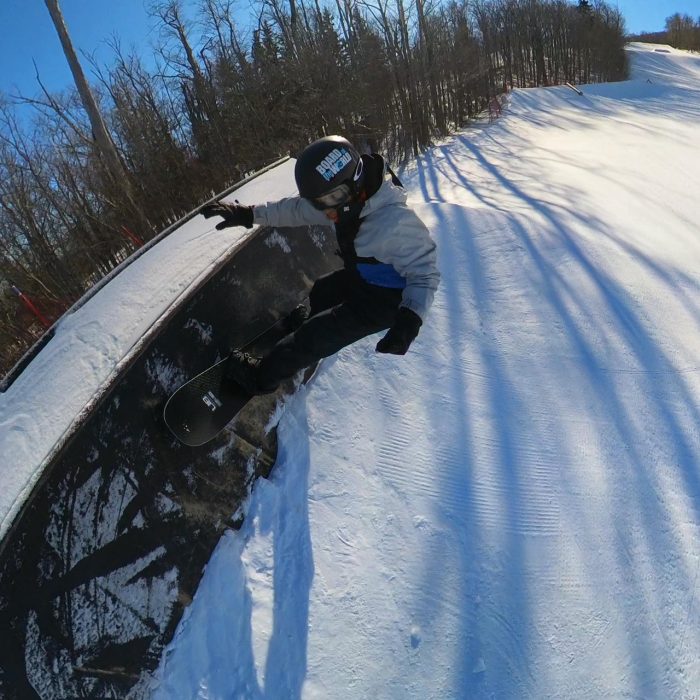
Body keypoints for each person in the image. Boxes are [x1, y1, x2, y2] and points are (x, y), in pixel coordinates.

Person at [200, 135, 439, 395]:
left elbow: (424, 273)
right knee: (322, 290)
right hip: (364, 278)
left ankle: (260, 378)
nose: (327, 212)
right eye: (319, 203)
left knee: (312, 340)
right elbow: (295, 210)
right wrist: (248, 214)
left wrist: (409, 321)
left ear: (355, 181)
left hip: (388, 303)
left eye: (330, 199)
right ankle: (308, 325)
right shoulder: (342, 203)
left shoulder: (394, 222)